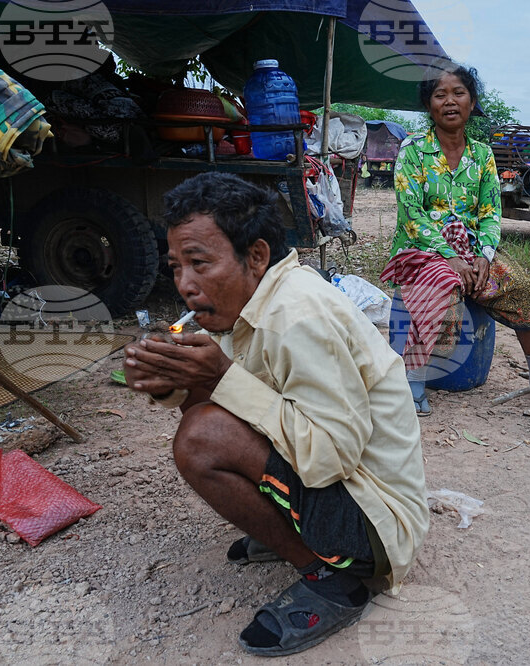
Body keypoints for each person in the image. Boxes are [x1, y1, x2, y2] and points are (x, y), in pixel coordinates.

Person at [123, 173, 428, 657]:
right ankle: (297, 529)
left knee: (201, 439)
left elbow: (332, 457)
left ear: (257, 256)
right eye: (177, 266)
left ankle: (333, 578)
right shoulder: (248, 305)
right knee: (205, 412)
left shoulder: (298, 316)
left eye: (200, 264)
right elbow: (227, 400)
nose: (185, 284)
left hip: (376, 522)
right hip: (346, 493)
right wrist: (170, 382)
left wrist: (219, 377)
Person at [380, 62, 530, 415]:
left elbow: (491, 212)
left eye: (458, 93)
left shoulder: (482, 155)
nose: (450, 101)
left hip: (472, 252)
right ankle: (413, 382)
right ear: (429, 105)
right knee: (442, 285)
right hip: (422, 250)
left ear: (472, 102)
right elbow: (412, 214)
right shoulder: (413, 151)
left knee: (521, 286)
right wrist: (450, 257)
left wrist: (484, 255)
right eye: (440, 94)